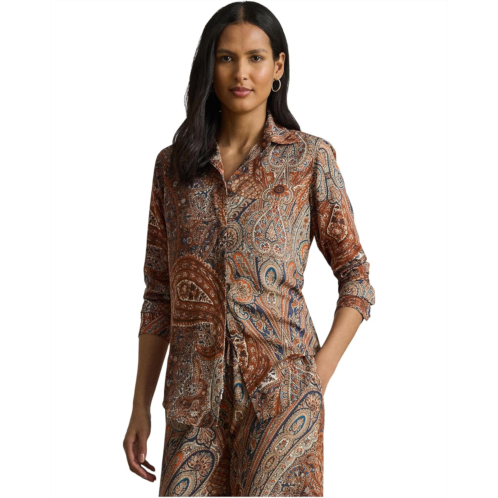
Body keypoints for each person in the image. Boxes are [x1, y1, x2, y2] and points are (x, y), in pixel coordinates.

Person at [123, 2, 375, 496]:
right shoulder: (172, 169)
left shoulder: (309, 160)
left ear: (278, 67)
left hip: (282, 401)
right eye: (226, 58)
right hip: (192, 405)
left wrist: (316, 376)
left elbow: (357, 278)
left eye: (255, 58)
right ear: (209, 66)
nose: (241, 73)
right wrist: (139, 405)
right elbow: (159, 296)